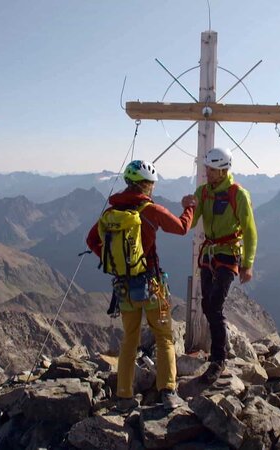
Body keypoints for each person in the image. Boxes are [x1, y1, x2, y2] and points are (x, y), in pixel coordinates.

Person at [86, 160, 195, 410]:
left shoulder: (111, 213)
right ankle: (168, 392)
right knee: (164, 336)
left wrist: (114, 262)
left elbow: (91, 240)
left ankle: (124, 396)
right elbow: (182, 228)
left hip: (124, 288)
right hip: (153, 286)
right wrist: (189, 207)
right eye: (152, 184)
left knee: (129, 340)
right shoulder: (150, 210)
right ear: (147, 184)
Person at [185, 147, 257, 384]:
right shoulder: (203, 192)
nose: (207, 172)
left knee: (214, 305)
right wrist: (188, 207)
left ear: (223, 171)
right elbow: (192, 222)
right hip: (209, 253)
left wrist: (247, 264)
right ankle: (218, 351)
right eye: (207, 167)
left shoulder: (238, 195)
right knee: (207, 303)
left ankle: (219, 358)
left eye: (211, 169)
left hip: (228, 254)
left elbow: (249, 231)